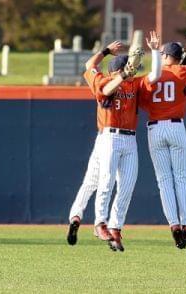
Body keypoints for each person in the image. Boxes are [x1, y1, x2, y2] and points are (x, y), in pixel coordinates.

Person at [67, 31, 162, 251]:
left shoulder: (134, 84)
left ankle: (114, 227)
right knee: (104, 181)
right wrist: (114, 63)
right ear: (115, 71)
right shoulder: (105, 80)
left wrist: (155, 51)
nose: (131, 70)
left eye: (131, 68)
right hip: (108, 137)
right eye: (126, 68)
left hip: (129, 140)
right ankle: (99, 222)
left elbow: (155, 75)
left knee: (125, 185)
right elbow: (105, 87)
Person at [139, 33, 186, 249]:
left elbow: (141, 100)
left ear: (166, 56)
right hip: (177, 127)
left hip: (155, 129)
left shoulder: (151, 76)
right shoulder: (183, 71)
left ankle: (174, 226)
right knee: (181, 178)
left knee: (164, 181)